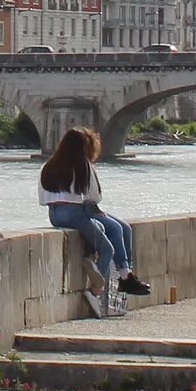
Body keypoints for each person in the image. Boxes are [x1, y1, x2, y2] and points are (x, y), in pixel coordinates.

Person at [39, 128, 150, 315]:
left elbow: (43, 198)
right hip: (76, 212)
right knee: (109, 246)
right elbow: (95, 197)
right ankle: (97, 290)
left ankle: (118, 272)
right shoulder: (83, 165)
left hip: (55, 214)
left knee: (119, 227)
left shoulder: (48, 165)